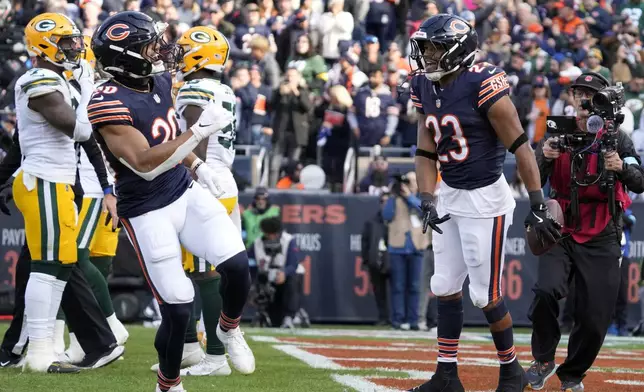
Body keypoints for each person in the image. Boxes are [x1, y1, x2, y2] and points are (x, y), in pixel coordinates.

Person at [90, 11, 254, 392]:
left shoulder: (160, 81)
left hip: (184, 189)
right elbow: (146, 164)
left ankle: (227, 329)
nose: (161, 49)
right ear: (127, 55)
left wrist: (199, 165)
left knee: (238, 265)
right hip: (147, 209)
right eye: (150, 44)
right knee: (178, 308)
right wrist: (199, 132)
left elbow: (169, 136)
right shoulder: (106, 100)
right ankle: (169, 384)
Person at [407, 14, 561, 392]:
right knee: (443, 283)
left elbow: (521, 146)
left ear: (457, 51)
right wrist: (427, 195)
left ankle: (510, 372)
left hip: (484, 200)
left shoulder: (482, 83)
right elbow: (426, 151)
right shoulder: (423, 87)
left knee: (483, 294)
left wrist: (538, 202)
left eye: (435, 48)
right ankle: (446, 376)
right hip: (449, 192)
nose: (426, 55)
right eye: (424, 47)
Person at [527, 72, 644, 392]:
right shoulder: (555, 131)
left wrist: (620, 166)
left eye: (590, 94)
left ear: (602, 101)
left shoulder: (616, 137)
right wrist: (544, 158)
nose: (583, 100)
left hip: (603, 230)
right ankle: (543, 359)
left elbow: (640, 180)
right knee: (546, 290)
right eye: (578, 93)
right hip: (561, 226)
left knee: (596, 316)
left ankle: (572, 373)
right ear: (571, 99)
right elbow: (532, 179)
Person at [12, 12, 100, 374]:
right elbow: (76, 129)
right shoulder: (38, 78)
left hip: (60, 181)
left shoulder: (58, 77)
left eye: (74, 40)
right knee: (46, 268)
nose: (74, 48)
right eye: (66, 42)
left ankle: (46, 349)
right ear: (45, 45)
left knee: (61, 267)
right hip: (43, 178)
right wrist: (103, 104)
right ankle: (39, 353)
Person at [171, 25, 243, 377]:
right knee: (200, 271)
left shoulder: (196, 87)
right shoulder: (224, 89)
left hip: (204, 181)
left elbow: (193, 143)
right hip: (223, 181)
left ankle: (215, 357)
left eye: (183, 49)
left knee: (204, 275)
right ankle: (192, 348)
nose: (177, 55)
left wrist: (187, 179)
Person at [382, 173, 427, 330]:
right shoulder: (394, 199)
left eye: (411, 182)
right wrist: (393, 195)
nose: (407, 185)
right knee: (398, 286)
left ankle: (413, 320)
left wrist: (410, 197)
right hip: (397, 247)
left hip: (417, 246)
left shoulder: (422, 198)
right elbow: (386, 215)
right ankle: (398, 320)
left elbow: (425, 211)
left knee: (415, 286)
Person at [248, 217, 304, 328]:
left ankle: (290, 315)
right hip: (267, 277)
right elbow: (248, 263)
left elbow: (293, 264)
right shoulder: (257, 243)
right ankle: (264, 313)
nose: (271, 237)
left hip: (285, 276)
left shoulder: (288, 240)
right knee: (275, 322)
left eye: (273, 234)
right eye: (268, 234)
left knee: (292, 280)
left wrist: (284, 273)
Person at [361, 191, 391, 326]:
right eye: (383, 201)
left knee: (397, 290)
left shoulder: (396, 220)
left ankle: (398, 318)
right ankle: (383, 317)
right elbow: (365, 242)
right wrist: (366, 259)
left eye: (388, 201)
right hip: (376, 260)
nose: (385, 204)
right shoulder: (372, 221)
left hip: (393, 259)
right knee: (379, 291)